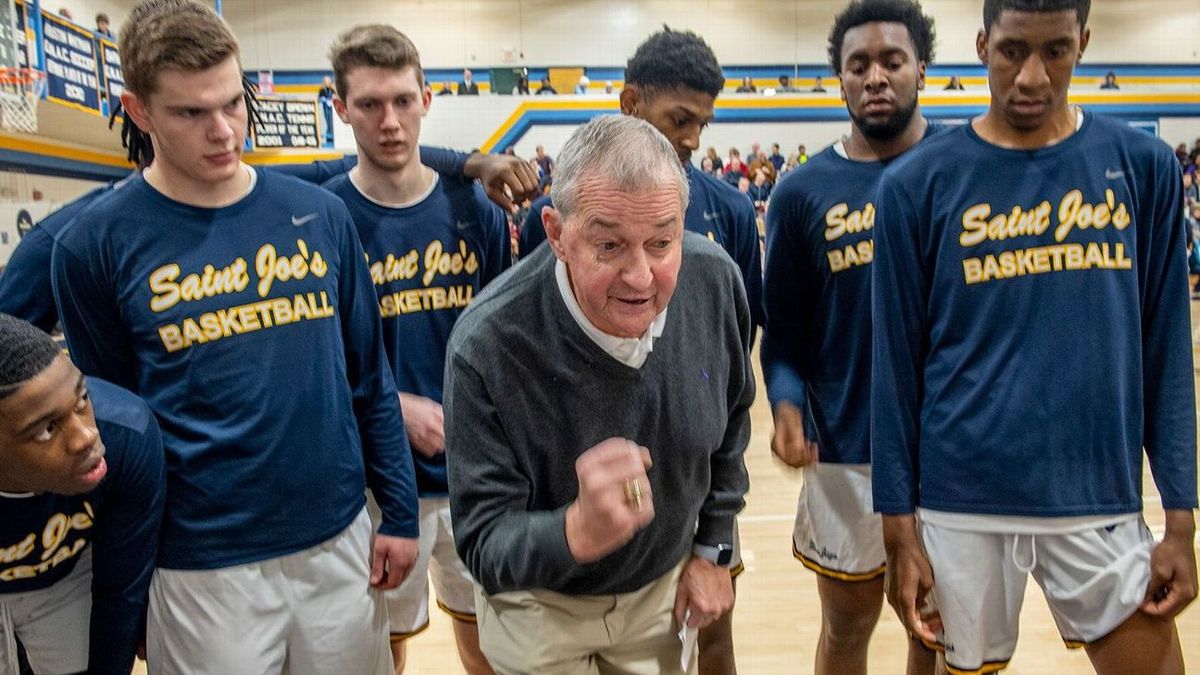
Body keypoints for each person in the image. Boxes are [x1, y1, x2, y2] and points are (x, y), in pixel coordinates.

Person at [50, 1, 420, 672]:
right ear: (138, 111)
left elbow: (370, 378)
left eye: (233, 102)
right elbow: (118, 432)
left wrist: (397, 510)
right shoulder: (91, 245)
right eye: (191, 113)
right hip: (200, 563)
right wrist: (128, 586)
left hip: (338, 541)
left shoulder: (322, 216)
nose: (222, 130)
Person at [872, 2, 1197, 674]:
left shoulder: (1144, 166)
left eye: (1056, 52)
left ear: (1083, 41)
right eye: (1013, 50)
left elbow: (1167, 352)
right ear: (983, 43)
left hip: (1096, 490)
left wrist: (1182, 517)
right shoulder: (915, 184)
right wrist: (898, 527)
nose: (1031, 76)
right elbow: (895, 370)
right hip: (959, 497)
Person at [445, 113, 753, 675]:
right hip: (537, 603)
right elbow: (483, 541)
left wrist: (713, 551)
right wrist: (574, 532)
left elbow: (731, 428)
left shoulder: (714, 283)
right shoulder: (486, 343)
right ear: (557, 234)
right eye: (609, 245)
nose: (640, 276)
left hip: (660, 593)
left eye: (662, 243)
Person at [322, 24, 510, 675]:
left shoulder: (474, 209)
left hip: (473, 472)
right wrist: (392, 404)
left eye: (403, 100)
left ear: (427, 99)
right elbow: (314, 357)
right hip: (374, 479)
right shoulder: (321, 217)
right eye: (370, 104)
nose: (391, 121)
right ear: (340, 107)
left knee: (488, 642)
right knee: (380, 651)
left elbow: (499, 339)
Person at [761, 2, 940, 673]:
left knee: (935, 625)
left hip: (947, 448)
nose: (875, 77)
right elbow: (783, 331)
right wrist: (784, 404)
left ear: (921, 68)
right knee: (846, 626)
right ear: (838, 78)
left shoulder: (961, 169)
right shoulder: (803, 192)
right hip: (844, 450)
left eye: (891, 61)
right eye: (857, 64)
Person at [0, 313, 164, 675]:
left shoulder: (124, 436)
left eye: (82, 399)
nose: (86, 436)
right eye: (47, 429)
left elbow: (120, 592)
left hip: (64, 575)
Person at [318, 74, 336, 143]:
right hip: (325, 108)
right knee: (327, 123)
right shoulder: (322, 90)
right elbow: (320, 98)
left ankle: (332, 138)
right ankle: (328, 138)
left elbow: (335, 96)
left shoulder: (332, 90)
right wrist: (324, 100)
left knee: (331, 123)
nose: (328, 84)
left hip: (332, 109)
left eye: (329, 82)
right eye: (326, 82)